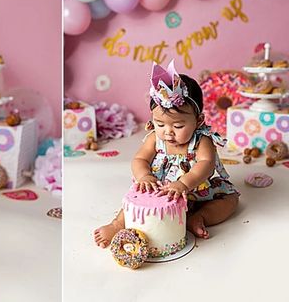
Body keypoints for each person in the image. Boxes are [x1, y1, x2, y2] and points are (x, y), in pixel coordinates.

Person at [94, 60, 239, 248]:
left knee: (230, 199)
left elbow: (206, 163)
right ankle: (118, 224)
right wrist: (144, 176)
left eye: (178, 126)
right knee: (136, 199)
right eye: (160, 124)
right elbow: (140, 159)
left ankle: (198, 218)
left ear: (199, 120)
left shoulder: (201, 140)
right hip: (160, 190)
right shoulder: (155, 138)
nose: (168, 132)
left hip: (197, 191)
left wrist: (184, 184)